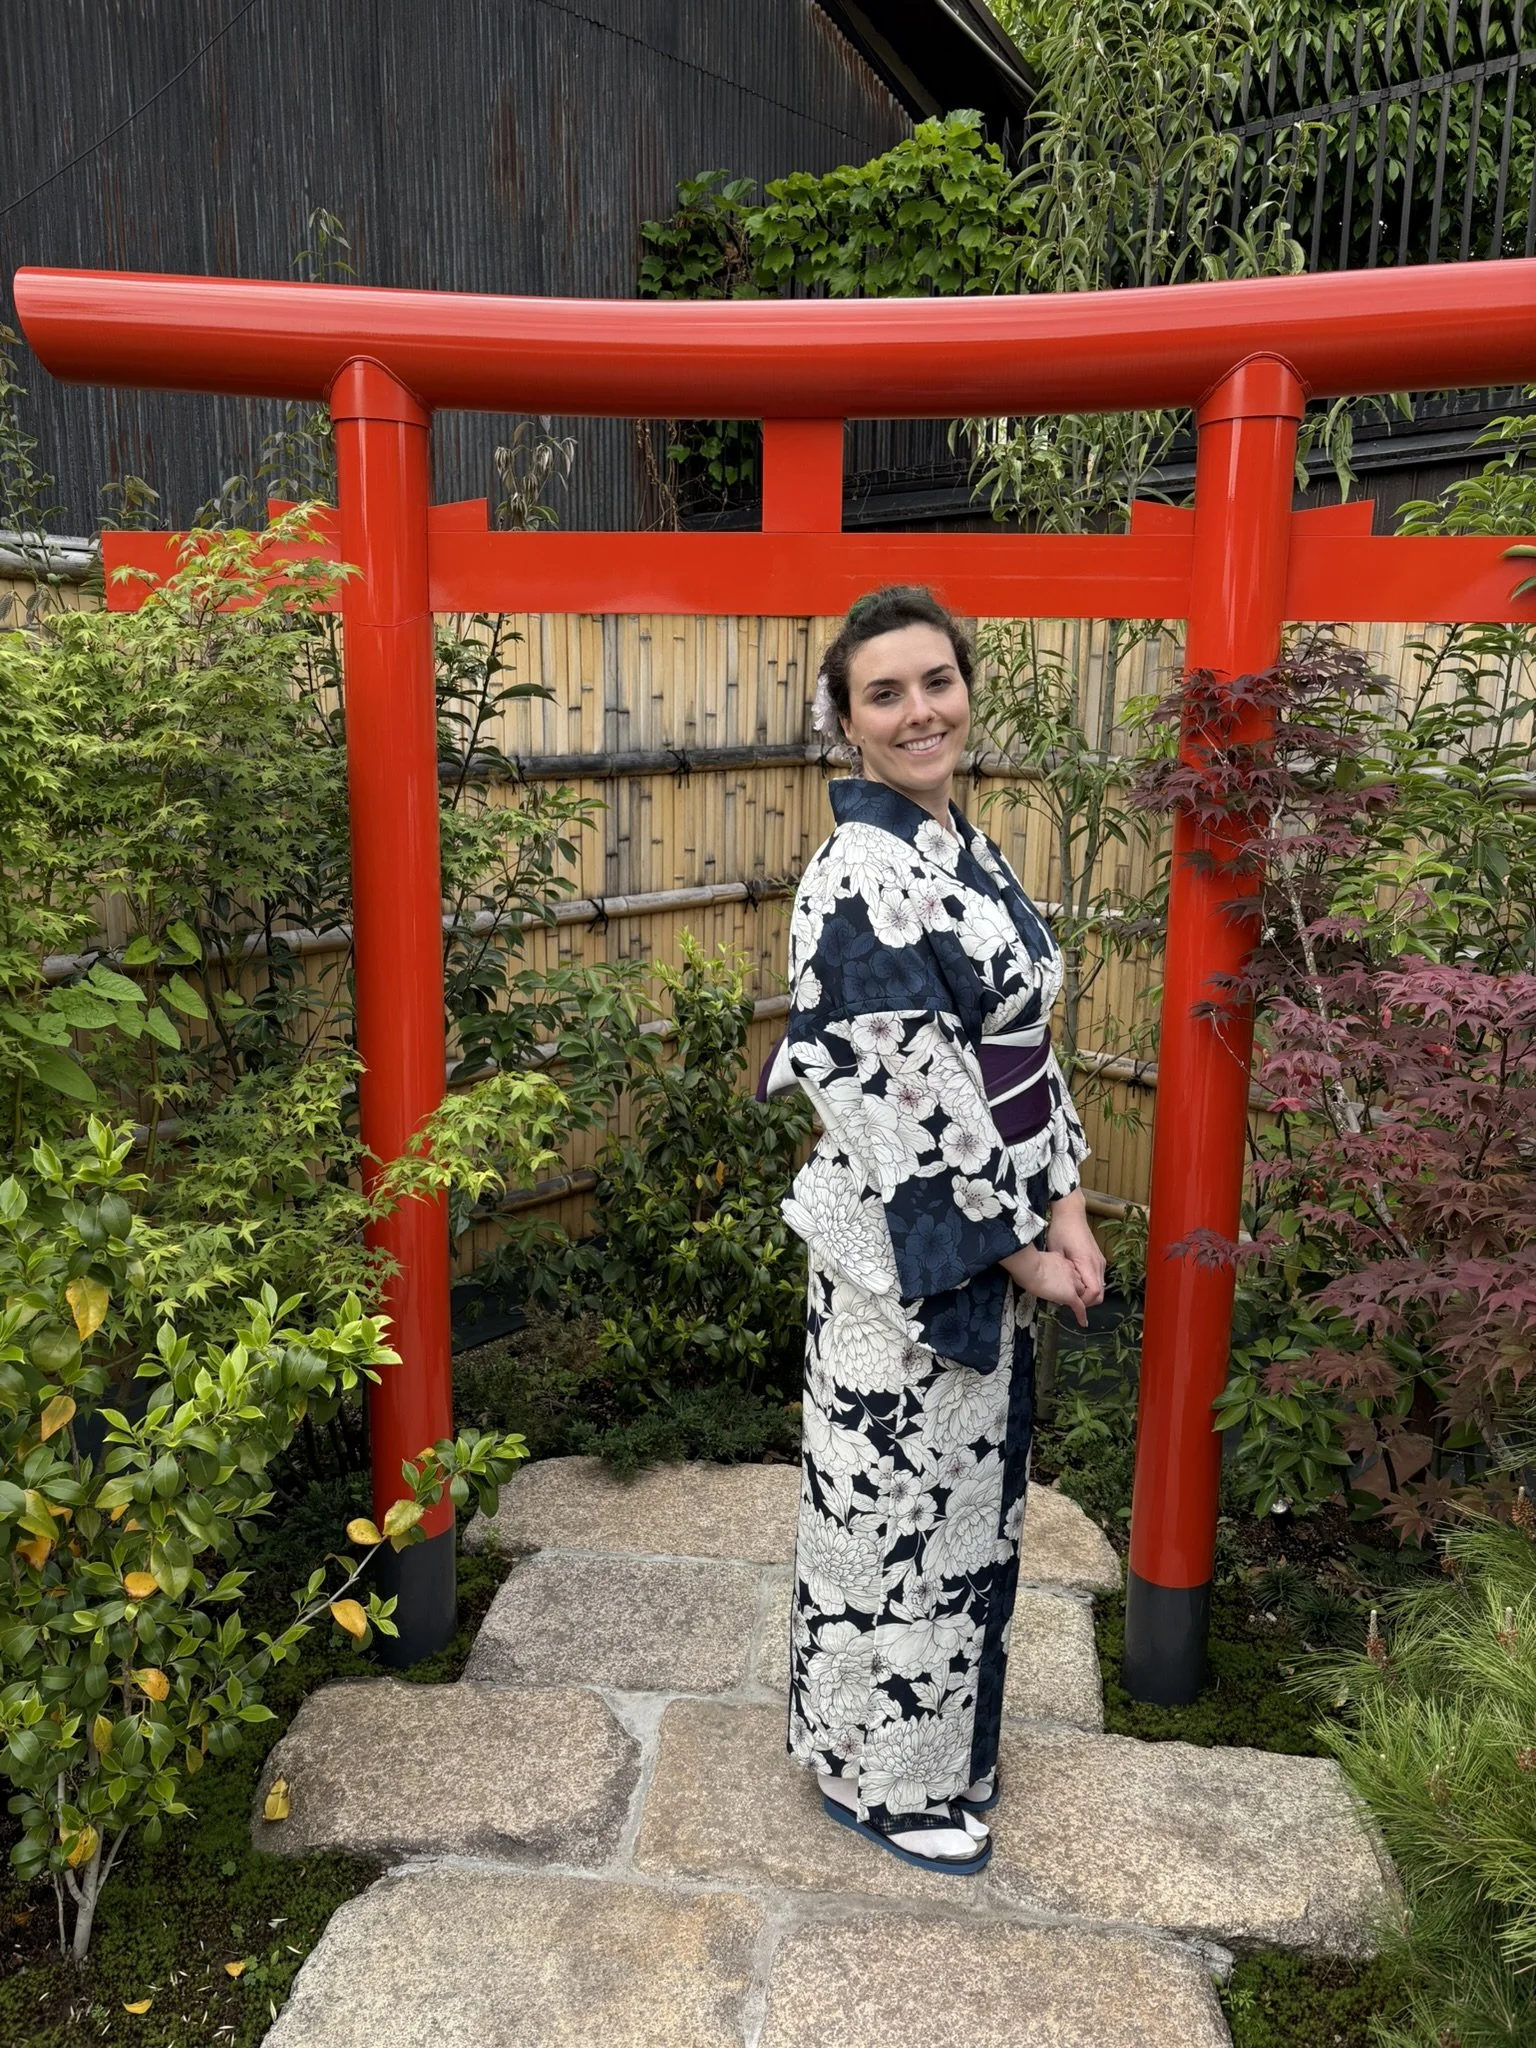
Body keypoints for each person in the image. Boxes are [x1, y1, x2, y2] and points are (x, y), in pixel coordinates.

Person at [760, 585, 1104, 1875]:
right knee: (891, 1514)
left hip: (997, 1216)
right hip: (898, 1254)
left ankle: (940, 1746)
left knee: (964, 1509)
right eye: (886, 693)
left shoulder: (963, 846)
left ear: (967, 690)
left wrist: (1067, 1205)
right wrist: (1024, 1247)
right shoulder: (855, 879)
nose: (920, 712)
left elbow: (1020, 1053)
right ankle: (879, 1779)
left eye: (937, 682)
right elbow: (906, 1102)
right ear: (845, 721)